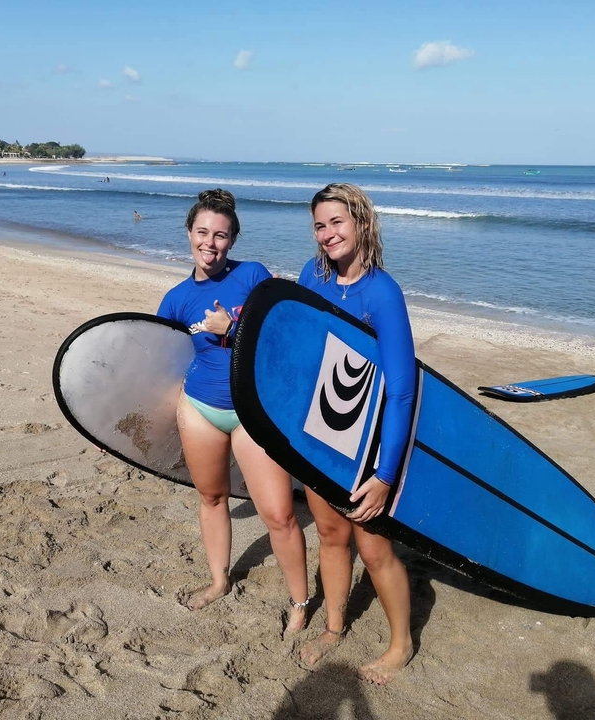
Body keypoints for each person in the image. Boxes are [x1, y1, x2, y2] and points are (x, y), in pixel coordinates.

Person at [157, 189, 309, 633]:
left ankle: (299, 601)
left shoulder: (254, 277)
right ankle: (219, 580)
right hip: (200, 409)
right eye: (202, 232)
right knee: (211, 497)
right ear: (189, 234)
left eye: (220, 235)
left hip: (253, 412)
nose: (210, 242)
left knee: (278, 513)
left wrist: (235, 327)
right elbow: (159, 361)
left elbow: (288, 333)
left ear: (233, 240)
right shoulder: (176, 299)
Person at [296, 183, 415, 685]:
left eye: (337, 222)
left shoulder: (382, 292)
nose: (327, 234)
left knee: (373, 548)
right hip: (318, 432)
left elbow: (403, 391)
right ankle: (335, 626)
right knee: (329, 535)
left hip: (366, 442)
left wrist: (385, 474)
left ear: (362, 222)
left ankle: (400, 643)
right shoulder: (311, 275)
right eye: (320, 225)